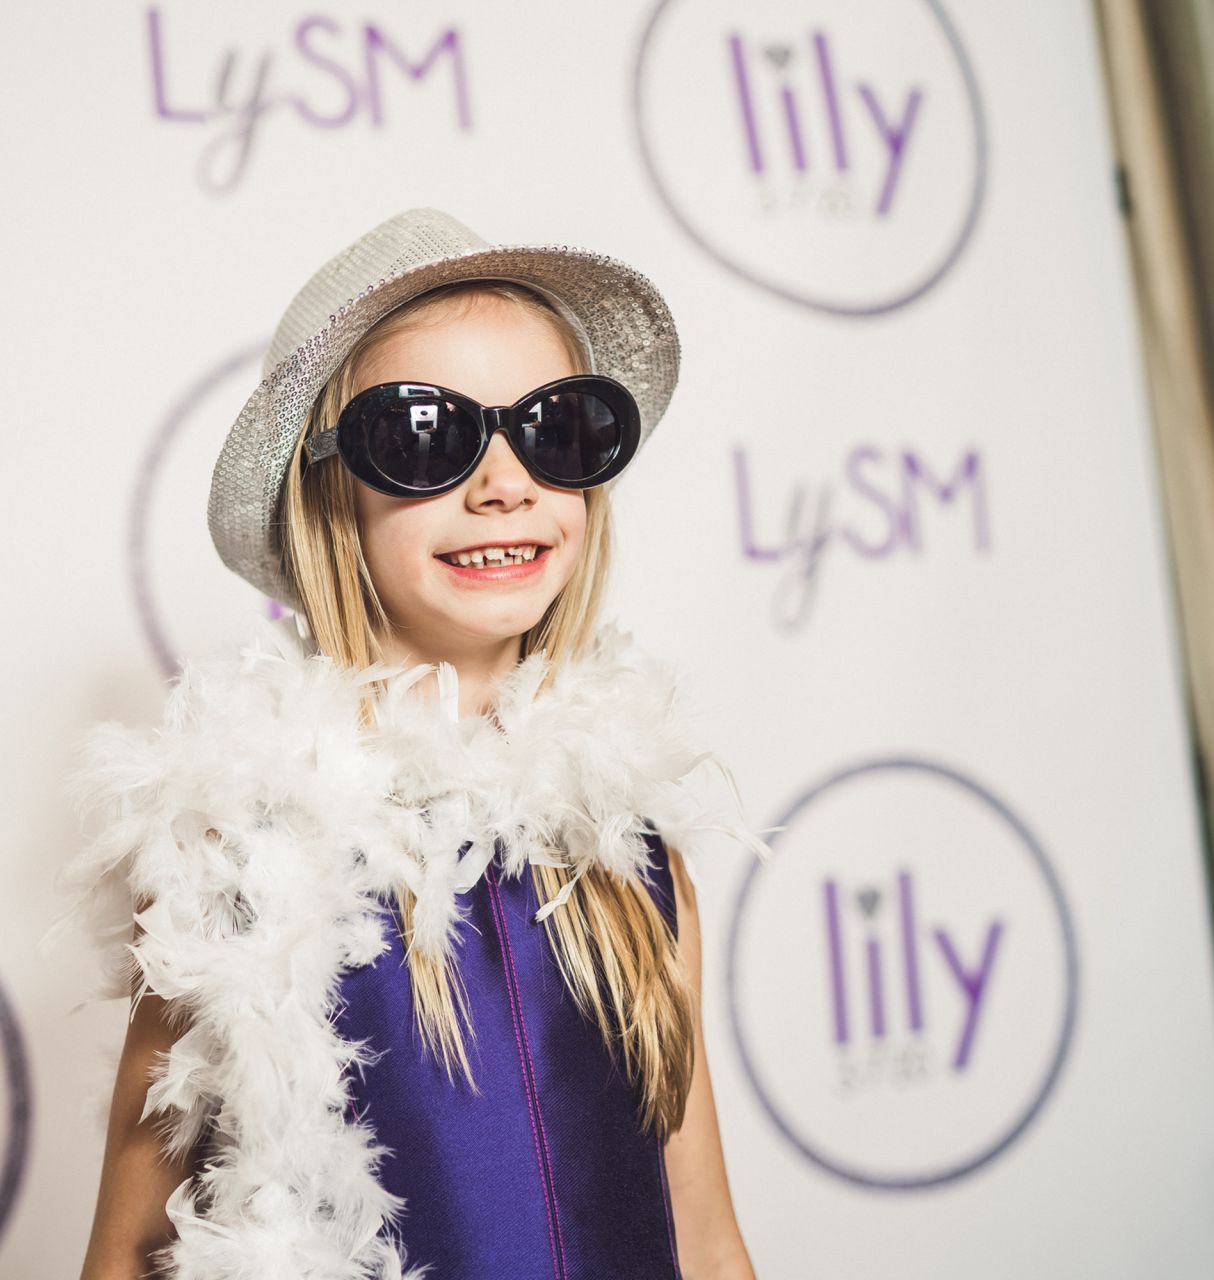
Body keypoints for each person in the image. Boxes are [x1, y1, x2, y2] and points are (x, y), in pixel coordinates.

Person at [59, 207, 770, 1280]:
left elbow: (706, 1239)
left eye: (557, 427)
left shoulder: (634, 865)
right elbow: (128, 1255)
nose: (502, 482)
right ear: (330, 492)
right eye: (427, 434)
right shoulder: (241, 865)